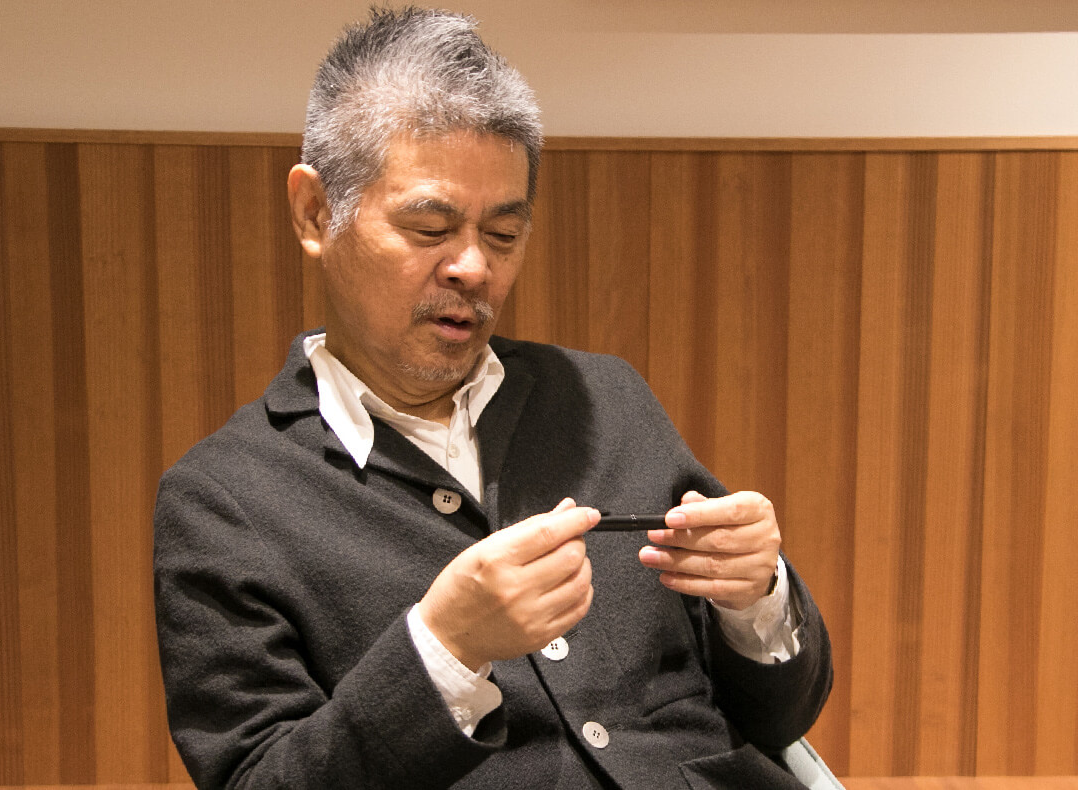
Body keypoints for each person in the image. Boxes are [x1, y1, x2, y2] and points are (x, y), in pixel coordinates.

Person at [153, 7, 832, 789]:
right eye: (429, 227)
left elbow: (780, 719)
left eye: (503, 235)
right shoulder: (223, 502)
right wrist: (443, 650)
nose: (473, 268)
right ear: (315, 212)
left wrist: (757, 600)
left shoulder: (603, 399)